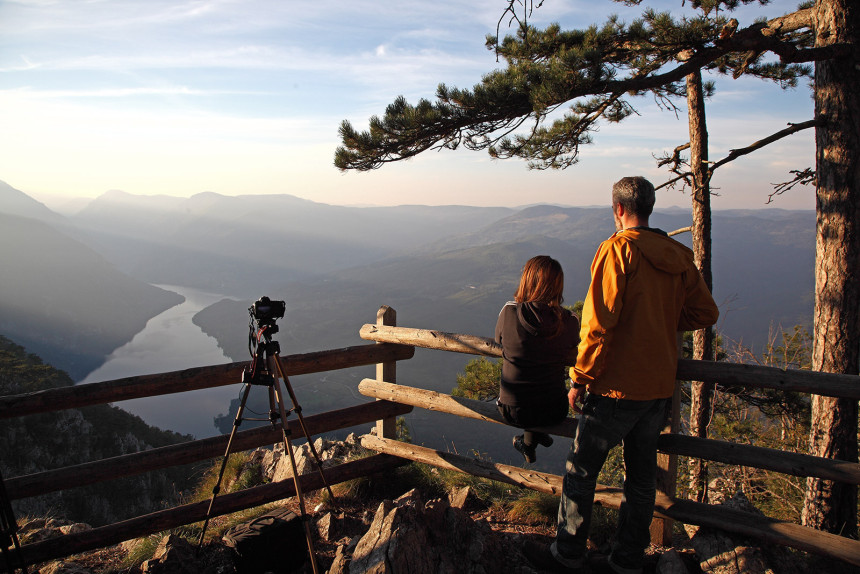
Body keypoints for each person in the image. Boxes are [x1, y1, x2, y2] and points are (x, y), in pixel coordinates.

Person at [524, 177, 719, 574]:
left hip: (614, 388)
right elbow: (705, 312)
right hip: (658, 387)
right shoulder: (677, 254)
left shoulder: (618, 251)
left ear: (617, 209)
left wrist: (579, 378)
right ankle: (627, 560)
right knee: (642, 480)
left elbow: (597, 325)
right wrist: (661, 322)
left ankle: (567, 555)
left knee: (580, 471)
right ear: (647, 208)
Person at [495, 255, 580, 464]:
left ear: (526, 280)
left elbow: (498, 339)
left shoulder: (509, 312)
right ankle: (533, 438)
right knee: (539, 393)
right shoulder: (570, 321)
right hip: (555, 410)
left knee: (527, 398)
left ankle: (532, 439)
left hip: (512, 410)